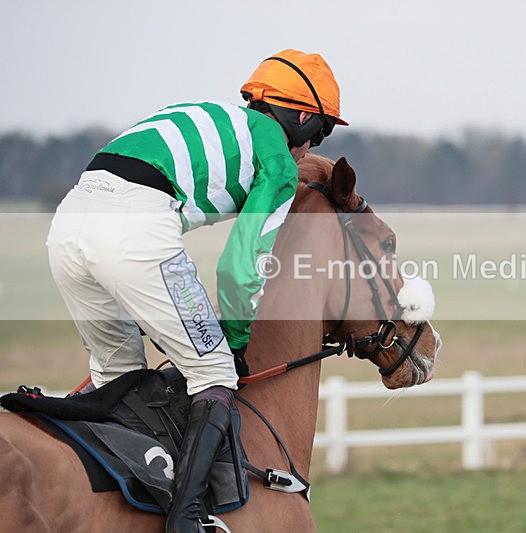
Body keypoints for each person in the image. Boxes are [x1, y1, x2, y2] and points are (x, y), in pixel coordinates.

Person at [46, 49, 347, 532]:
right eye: (321, 132)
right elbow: (239, 265)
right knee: (214, 372)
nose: (311, 147)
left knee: (118, 379)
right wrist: (235, 337)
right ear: (303, 116)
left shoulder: (215, 116)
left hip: (67, 225)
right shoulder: (278, 159)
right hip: (134, 230)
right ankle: (187, 519)